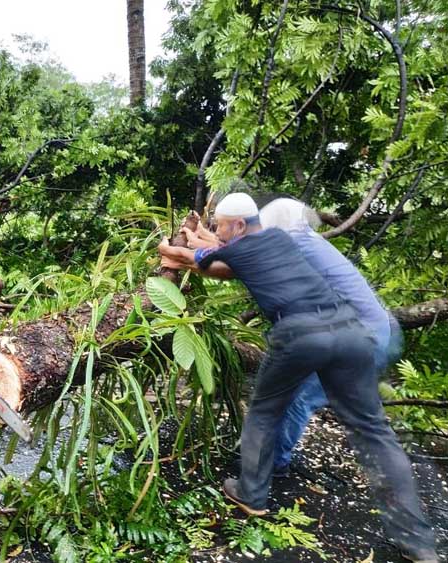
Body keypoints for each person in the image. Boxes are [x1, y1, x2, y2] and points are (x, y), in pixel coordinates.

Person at [158, 193, 437, 563]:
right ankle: (419, 542)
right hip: (351, 334)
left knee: (265, 411)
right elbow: (219, 249)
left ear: (239, 226)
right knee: (375, 432)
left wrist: (167, 247)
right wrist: (198, 237)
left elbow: (198, 258)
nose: (218, 232)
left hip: (302, 335)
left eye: (222, 226)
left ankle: (251, 493)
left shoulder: (242, 249)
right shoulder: (279, 239)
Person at [256, 198, 401, 476]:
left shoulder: (294, 245)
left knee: (299, 396)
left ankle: (274, 465)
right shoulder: (306, 241)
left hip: (363, 338)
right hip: (370, 332)